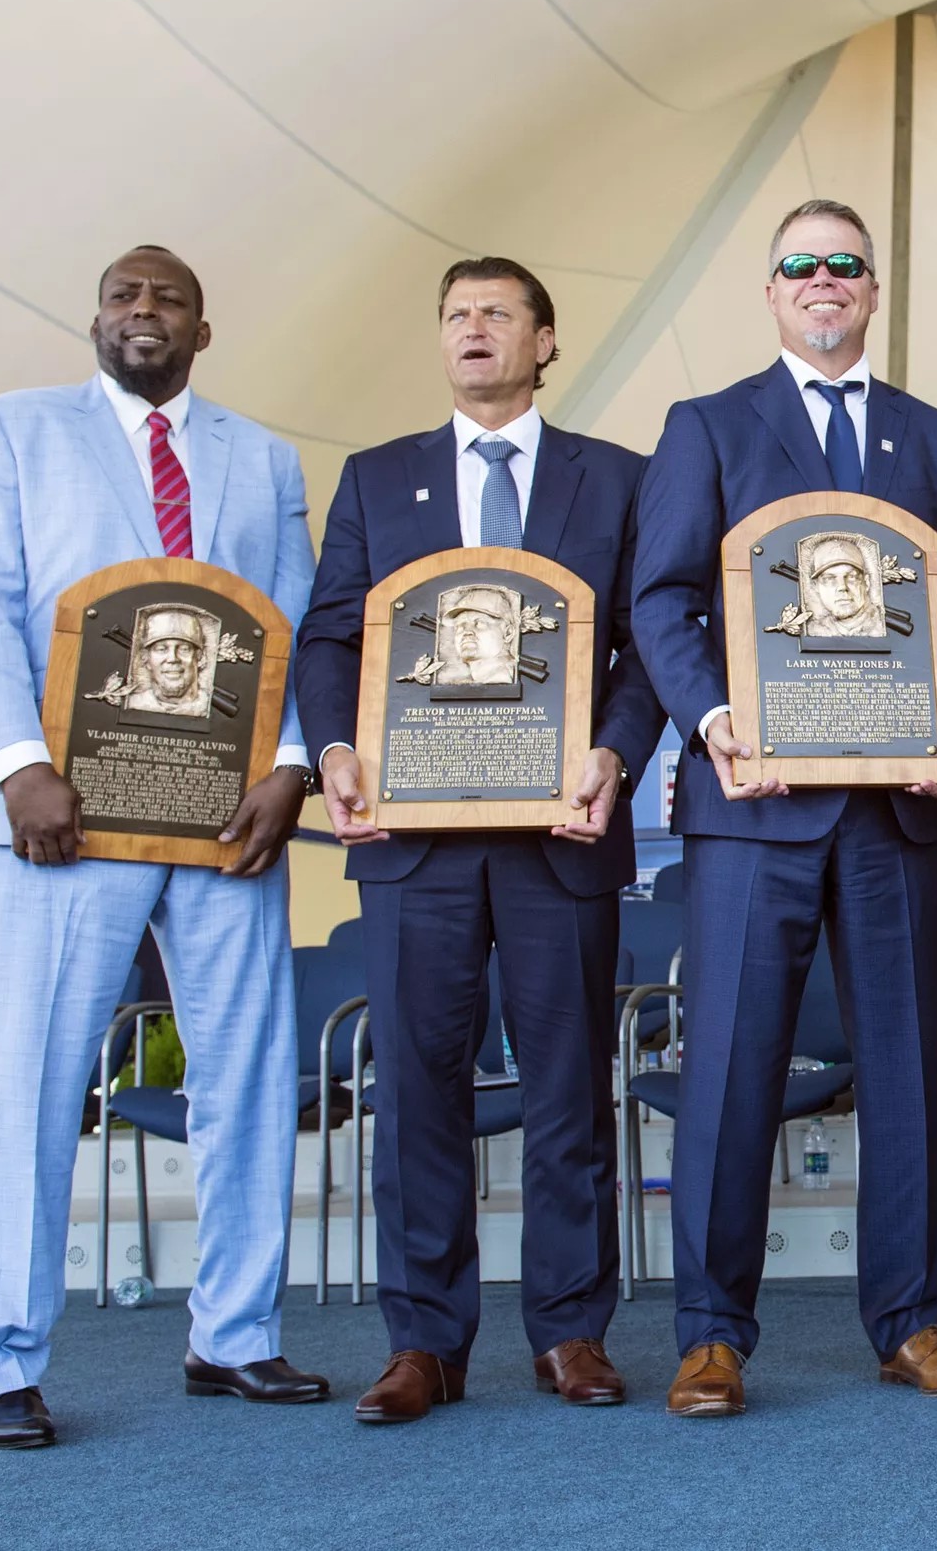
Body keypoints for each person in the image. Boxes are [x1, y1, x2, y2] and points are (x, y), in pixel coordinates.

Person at [0, 245, 324, 1448]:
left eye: (166, 297)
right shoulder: (8, 431)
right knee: (29, 1082)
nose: (140, 309)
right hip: (63, 813)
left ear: (202, 329)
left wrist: (294, 767)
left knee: (249, 1078)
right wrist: (16, 766)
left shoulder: (262, 457)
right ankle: (1, 1358)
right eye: (121, 293)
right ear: (95, 317)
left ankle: (236, 1335)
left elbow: (300, 624)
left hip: (226, 814)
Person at [632, 199, 937, 1418]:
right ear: (772, 287)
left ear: (874, 289)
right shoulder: (708, 424)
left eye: (847, 263)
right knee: (730, 1068)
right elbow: (661, 597)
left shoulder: (933, 438)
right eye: (802, 264)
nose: (825, 280)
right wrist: (707, 716)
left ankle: (911, 1319)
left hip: (894, 809)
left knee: (904, 1068)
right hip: (752, 805)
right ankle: (708, 1334)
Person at [294, 255, 666, 1424]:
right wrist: (333, 751)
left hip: (561, 834)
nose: (472, 329)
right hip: (414, 841)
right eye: (454, 314)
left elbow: (652, 640)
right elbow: (328, 639)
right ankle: (424, 1341)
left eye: (497, 313)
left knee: (567, 1090)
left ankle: (569, 1330)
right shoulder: (377, 477)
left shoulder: (617, 478)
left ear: (545, 340)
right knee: (414, 1090)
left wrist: (614, 750)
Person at [129, 607, 211, 714]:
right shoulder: (133, 704)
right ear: (145, 658)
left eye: (184, 649)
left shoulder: (208, 708)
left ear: (201, 657)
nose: (173, 658)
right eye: (161, 649)